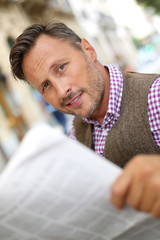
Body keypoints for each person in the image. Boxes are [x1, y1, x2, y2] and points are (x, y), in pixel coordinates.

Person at [9, 21, 160, 218]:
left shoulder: (154, 96)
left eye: (61, 67)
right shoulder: (76, 132)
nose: (62, 91)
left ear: (88, 50)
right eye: (46, 86)